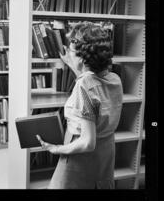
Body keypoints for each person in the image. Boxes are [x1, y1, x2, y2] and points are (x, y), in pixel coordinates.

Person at [36, 21, 123, 189]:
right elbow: (93, 92)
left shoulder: (84, 87)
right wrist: (74, 65)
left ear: (83, 58)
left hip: (81, 157)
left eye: (71, 50)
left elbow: (87, 142)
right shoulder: (114, 79)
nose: (68, 52)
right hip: (104, 154)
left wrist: (57, 149)